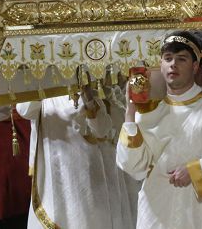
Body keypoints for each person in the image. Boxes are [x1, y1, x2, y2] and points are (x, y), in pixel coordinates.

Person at [116, 31, 202, 228]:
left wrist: (196, 171)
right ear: (161, 65)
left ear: (196, 66)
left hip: (200, 213)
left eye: (181, 59)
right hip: (155, 214)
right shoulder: (149, 111)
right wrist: (129, 116)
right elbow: (134, 168)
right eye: (168, 58)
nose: (173, 64)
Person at [16, 84, 136, 228]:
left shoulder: (94, 89)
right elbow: (24, 109)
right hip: (59, 171)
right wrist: (41, 82)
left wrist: (89, 98)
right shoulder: (47, 93)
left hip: (91, 176)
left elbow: (102, 129)